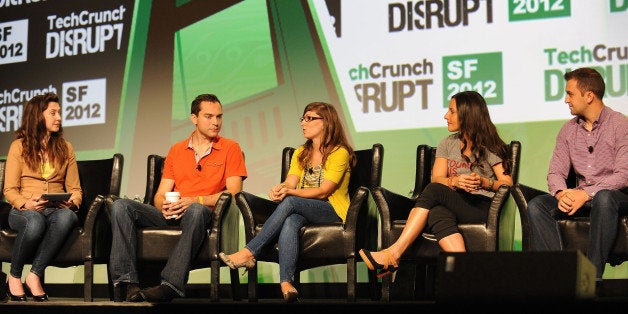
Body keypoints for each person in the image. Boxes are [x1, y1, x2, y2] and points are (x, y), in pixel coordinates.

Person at [108, 93, 247, 302]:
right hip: (174, 213)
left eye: (219, 117)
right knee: (121, 206)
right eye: (209, 117)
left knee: (195, 210)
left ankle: (171, 284)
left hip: (204, 215)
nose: (216, 122)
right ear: (194, 118)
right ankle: (127, 283)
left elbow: (234, 193)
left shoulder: (230, 148)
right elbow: (160, 194)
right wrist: (164, 206)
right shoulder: (177, 150)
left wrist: (195, 200)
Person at [359, 90, 513, 277]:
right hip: (457, 202)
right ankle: (465, 273)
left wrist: (483, 182)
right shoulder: (447, 143)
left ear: (467, 114)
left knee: (433, 191)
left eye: (452, 111)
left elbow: (507, 185)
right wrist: (454, 181)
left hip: (482, 206)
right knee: (437, 212)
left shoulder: (490, 145)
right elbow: (437, 178)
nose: (446, 116)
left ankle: (394, 253)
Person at [219, 102, 356, 303]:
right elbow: (290, 180)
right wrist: (281, 187)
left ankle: (249, 252)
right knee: (291, 220)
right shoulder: (301, 152)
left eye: (310, 118)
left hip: (332, 209)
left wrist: (289, 193)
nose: (303, 123)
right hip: (304, 208)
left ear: (326, 122)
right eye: (303, 118)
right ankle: (286, 283)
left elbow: (324, 191)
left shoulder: (339, 152)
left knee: (291, 202)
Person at [526, 67, 628, 283]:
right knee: (537, 205)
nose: (565, 100)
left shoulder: (620, 125)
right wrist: (562, 193)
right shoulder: (568, 131)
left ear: (589, 95)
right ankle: (561, 275)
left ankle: (591, 276)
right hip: (581, 197)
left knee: (604, 197)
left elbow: (624, 175)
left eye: (570, 94)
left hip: (617, 196)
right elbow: (555, 171)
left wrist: (586, 194)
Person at [3, 92, 82, 302]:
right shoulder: (18, 147)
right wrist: (25, 203)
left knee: (68, 217)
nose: (59, 118)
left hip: (55, 209)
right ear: (38, 115)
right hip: (23, 210)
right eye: (53, 113)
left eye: (59, 113)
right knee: (35, 222)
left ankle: (35, 274)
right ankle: (14, 275)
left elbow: (76, 189)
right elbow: (9, 190)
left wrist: (72, 202)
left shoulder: (66, 148)